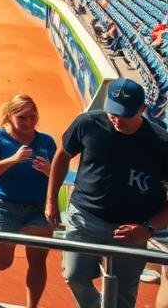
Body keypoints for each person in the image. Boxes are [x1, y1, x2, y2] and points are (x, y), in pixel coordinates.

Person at [45, 78, 168, 308]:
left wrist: (148, 228)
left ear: (143, 109)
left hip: (133, 228)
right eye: (113, 112)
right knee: (74, 274)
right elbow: (62, 155)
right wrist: (51, 200)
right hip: (85, 217)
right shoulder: (88, 123)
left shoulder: (162, 144)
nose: (117, 119)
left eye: (125, 114)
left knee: (123, 293)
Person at [0, 94, 57, 308]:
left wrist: (48, 170)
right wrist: (13, 160)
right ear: (9, 117)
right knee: (1, 262)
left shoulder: (46, 141)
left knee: (37, 261)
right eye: (22, 118)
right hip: (4, 206)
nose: (28, 122)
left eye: (32, 117)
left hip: (38, 208)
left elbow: (57, 175)